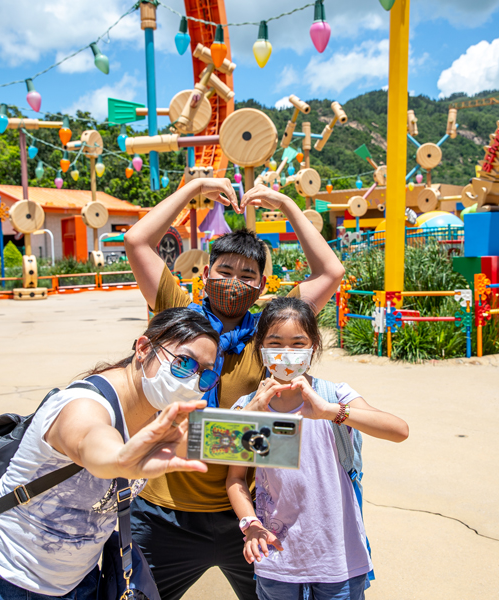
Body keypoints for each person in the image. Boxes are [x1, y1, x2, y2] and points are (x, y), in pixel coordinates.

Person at [124, 179, 345, 600]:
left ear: (263, 285)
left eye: (248, 275)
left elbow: (331, 272)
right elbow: (137, 241)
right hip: (164, 511)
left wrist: (285, 203)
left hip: (248, 515)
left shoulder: (271, 330)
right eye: (224, 271)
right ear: (205, 274)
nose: (234, 281)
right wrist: (194, 189)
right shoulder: (178, 318)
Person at [0, 308, 220, 600]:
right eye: (183, 363)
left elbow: (237, 445)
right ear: (143, 349)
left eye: (206, 375)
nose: (193, 381)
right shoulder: (82, 403)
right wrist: (120, 459)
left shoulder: (159, 417)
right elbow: (91, 440)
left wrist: (256, 425)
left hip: (78, 583)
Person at [226, 296, 409, 600]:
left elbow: (399, 430)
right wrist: (250, 526)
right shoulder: (247, 408)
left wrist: (330, 411)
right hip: (277, 558)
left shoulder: (334, 395)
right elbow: (234, 479)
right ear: (260, 346)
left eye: (298, 344)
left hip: (338, 557)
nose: (286, 354)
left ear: (313, 345)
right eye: (276, 343)